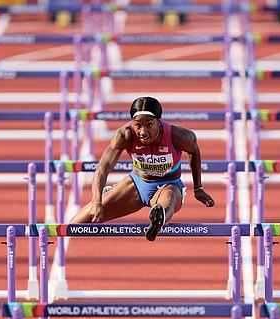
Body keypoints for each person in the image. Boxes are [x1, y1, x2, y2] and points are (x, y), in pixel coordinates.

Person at [70, 96, 215, 240]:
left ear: (159, 122)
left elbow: (194, 151)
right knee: (74, 226)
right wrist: (97, 202)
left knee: (167, 200)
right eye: (138, 125)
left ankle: (159, 219)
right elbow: (103, 168)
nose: (143, 132)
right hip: (137, 185)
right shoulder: (124, 135)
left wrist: (198, 188)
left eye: (149, 125)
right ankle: (115, 193)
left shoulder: (179, 136)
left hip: (168, 185)